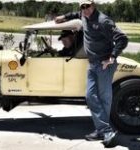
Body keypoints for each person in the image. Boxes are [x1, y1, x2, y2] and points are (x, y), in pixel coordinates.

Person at [55, 0, 128, 147]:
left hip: (104, 64)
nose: (85, 9)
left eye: (87, 6)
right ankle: (103, 130)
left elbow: (122, 39)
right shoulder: (83, 15)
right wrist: (64, 16)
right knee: (90, 96)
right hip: (93, 63)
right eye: (83, 6)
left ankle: (104, 131)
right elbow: (75, 14)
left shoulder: (103, 20)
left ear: (93, 5)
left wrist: (112, 57)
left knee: (104, 98)